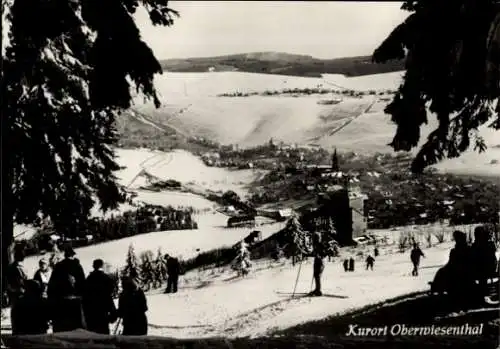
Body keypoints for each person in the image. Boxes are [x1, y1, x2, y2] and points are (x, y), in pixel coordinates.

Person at [48, 246, 87, 332]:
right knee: (77, 328)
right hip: (76, 300)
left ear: (65, 255)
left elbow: (52, 285)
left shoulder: (58, 267)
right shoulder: (78, 266)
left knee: (63, 328)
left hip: (61, 301)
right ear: (73, 255)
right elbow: (83, 283)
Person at [83, 259, 118, 334]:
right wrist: (113, 314)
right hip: (103, 312)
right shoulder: (106, 278)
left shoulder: (89, 279)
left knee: (92, 336)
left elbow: (85, 296)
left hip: (91, 312)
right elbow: (108, 296)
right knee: (103, 336)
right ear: (102, 266)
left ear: (94, 266)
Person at [469, 226, 498, 299]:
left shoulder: (478, 245)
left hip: (484, 269)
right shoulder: (489, 244)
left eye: (476, 234)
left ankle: (480, 291)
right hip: (488, 268)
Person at [6, 247, 28, 335]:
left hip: (13, 293)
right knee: (20, 313)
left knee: (15, 313)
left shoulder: (10, 267)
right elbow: (24, 280)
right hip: (20, 293)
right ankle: (19, 331)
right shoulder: (19, 267)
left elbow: (7, 282)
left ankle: (16, 331)